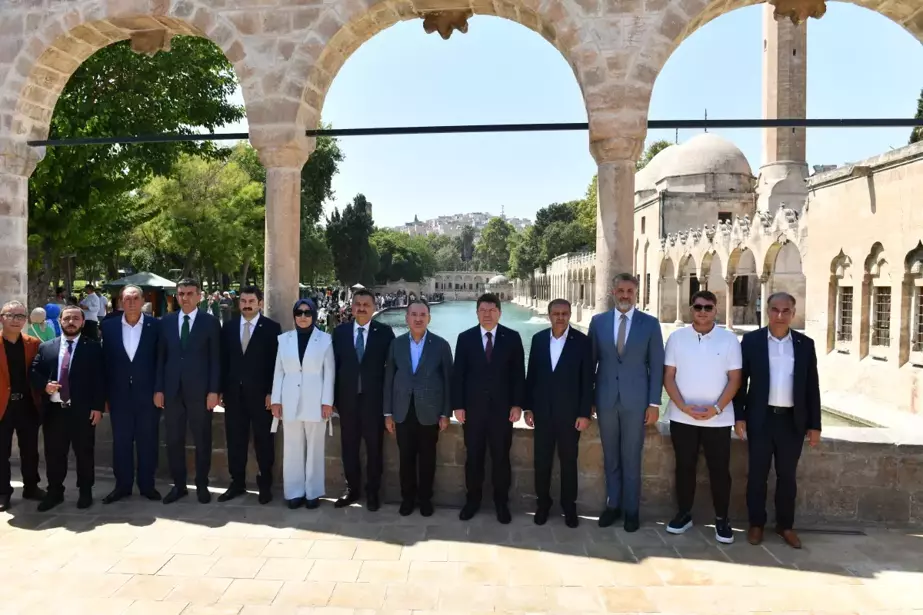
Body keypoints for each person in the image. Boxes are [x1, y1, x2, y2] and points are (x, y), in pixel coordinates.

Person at [735, 291, 821, 549]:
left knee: (787, 477)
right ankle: (756, 524)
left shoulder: (805, 345)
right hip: (761, 419)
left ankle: (785, 526)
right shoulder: (751, 342)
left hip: (791, 422)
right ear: (767, 311)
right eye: (774, 309)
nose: (780, 315)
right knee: (757, 476)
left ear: (793, 314)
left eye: (786, 311)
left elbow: (811, 387)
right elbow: (741, 384)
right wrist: (739, 417)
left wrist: (814, 424)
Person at [662, 290, 741, 544]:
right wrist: (683, 407)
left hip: (718, 418)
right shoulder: (676, 338)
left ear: (716, 310)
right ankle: (684, 514)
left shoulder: (729, 341)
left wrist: (716, 409)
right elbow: (668, 377)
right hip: (682, 417)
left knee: (719, 470)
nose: (703, 312)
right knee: (685, 468)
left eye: (708, 307)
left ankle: (722, 519)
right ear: (691, 309)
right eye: (698, 307)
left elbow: (735, 379)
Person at [587, 273, 664, 533]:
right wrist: (589, 399)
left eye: (630, 291)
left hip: (637, 402)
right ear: (613, 292)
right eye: (620, 290)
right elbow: (591, 365)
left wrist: (654, 403)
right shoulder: (598, 323)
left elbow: (656, 366)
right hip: (606, 400)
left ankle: (632, 511)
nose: (624, 295)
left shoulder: (650, 324)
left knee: (631, 457)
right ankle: (613, 506)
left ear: (636, 294)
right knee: (611, 458)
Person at [452, 293, 525, 524]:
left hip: (502, 412)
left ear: (499, 313)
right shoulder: (465, 338)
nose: (487, 313)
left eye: (492, 310)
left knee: (501, 459)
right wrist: (458, 405)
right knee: (473, 458)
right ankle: (472, 501)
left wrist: (517, 404)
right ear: (476, 313)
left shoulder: (512, 338)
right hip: (473, 412)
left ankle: (501, 503)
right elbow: (458, 375)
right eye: (483, 310)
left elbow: (517, 375)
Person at [523, 299, 593, 528]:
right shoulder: (539, 339)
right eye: (556, 313)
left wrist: (584, 414)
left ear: (570, 314)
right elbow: (531, 375)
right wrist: (528, 407)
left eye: (564, 313)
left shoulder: (582, 342)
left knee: (568, 463)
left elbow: (587, 381)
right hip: (542, 414)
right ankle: (543, 505)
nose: (560, 317)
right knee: (541, 462)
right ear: (549, 315)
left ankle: (568, 507)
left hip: (570, 415)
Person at [30, 306, 105, 511]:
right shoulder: (47, 347)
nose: (71, 322)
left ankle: (85, 491)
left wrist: (98, 407)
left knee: (84, 453)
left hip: (82, 411)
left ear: (82, 322)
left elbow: (100, 380)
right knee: (54, 454)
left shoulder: (93, 347)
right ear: (60, 321)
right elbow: (34, 372)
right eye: (67, 318)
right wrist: (44, 385)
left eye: (75, 319)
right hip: (54, 411)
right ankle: (55, 491)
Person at [383, 299, 453, 517]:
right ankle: (407, 499)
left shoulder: (441, 345)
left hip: (429, 411)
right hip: (403, 410)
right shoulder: (397, 344)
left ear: (429, 318)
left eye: (422, 315)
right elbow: (389, 379)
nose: (418, 318)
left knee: (427, 459)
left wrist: (445, 412)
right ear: (407, 318)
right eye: (414, 314)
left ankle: (425, 499)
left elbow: (448, 381)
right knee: (405, 458)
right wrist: (388, 412)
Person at [155, 278, 222, 505]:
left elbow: (216, 360)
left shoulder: (210, 323)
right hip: (172, 392)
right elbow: (160, 359)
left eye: (190, 293)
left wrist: (214, 390)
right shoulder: (166, 322)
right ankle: (179, 486)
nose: (185, 297)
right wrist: (159, 389)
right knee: (174, 440)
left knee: (203, 439)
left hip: (201, 393)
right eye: (181, 293)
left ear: (199, 296)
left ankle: (202, 485)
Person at [331, 289, 395, 511]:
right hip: (346, 402)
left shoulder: (385, 333)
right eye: (357, 303)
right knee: (349, 447)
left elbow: (391, 370)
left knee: (374, 449)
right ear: (352, 306)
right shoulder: (339, 333)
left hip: (374, 403)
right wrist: (332, 400)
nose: (361, 308)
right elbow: (333, 368)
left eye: (366, 304)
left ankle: (373, 492)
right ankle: (352, 489)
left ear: (374, 307)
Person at [219, 285, 281, 505]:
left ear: (260, 303)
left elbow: (276, 363)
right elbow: (223, 361)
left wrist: (272, 393)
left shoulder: (272, 328)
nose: (247, 305)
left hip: (261, 397)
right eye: (243, 301)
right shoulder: (228, 327)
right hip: (234, 395)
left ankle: (265, 485)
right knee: (235, 441)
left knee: (264, 441)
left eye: (251, 301)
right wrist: (221, 390)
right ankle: (237, 483)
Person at [100, 285, 162, 503]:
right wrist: (104, 395)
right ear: (120, 303)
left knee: (148, 441)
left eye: (136, 298)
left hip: (149, 396)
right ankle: (122, 486)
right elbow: (104, 364)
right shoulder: (108, 327)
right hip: (119, 396)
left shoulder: (156, 326)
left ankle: (147, 485)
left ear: (143, 300)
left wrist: (159, 389)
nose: (132, 302)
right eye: (127, 299)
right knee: (121, 442)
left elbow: (160, 361)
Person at [271, 299, 334, 509]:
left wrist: (327, 402)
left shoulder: (325, 340)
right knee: (291, 447)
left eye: (308, 313)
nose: (303, 317)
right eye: (299, 312)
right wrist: (276, 400)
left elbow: (330, 373)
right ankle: (294, 492)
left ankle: (313, 492)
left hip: (315, 400)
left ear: (314, 315)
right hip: (289, 399)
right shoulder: (284, 340)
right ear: (294, 315)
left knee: (315, 447)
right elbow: (278, 372)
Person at [0, 301, 45, 511]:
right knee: (1, 452)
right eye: (11, 315)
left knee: (30, 450)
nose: (16, 320)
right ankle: (3, 492)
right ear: (2, 318)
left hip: (27, 405)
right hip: (2, 406)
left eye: (20, 316)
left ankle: (31, 486)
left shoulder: (33, 344)